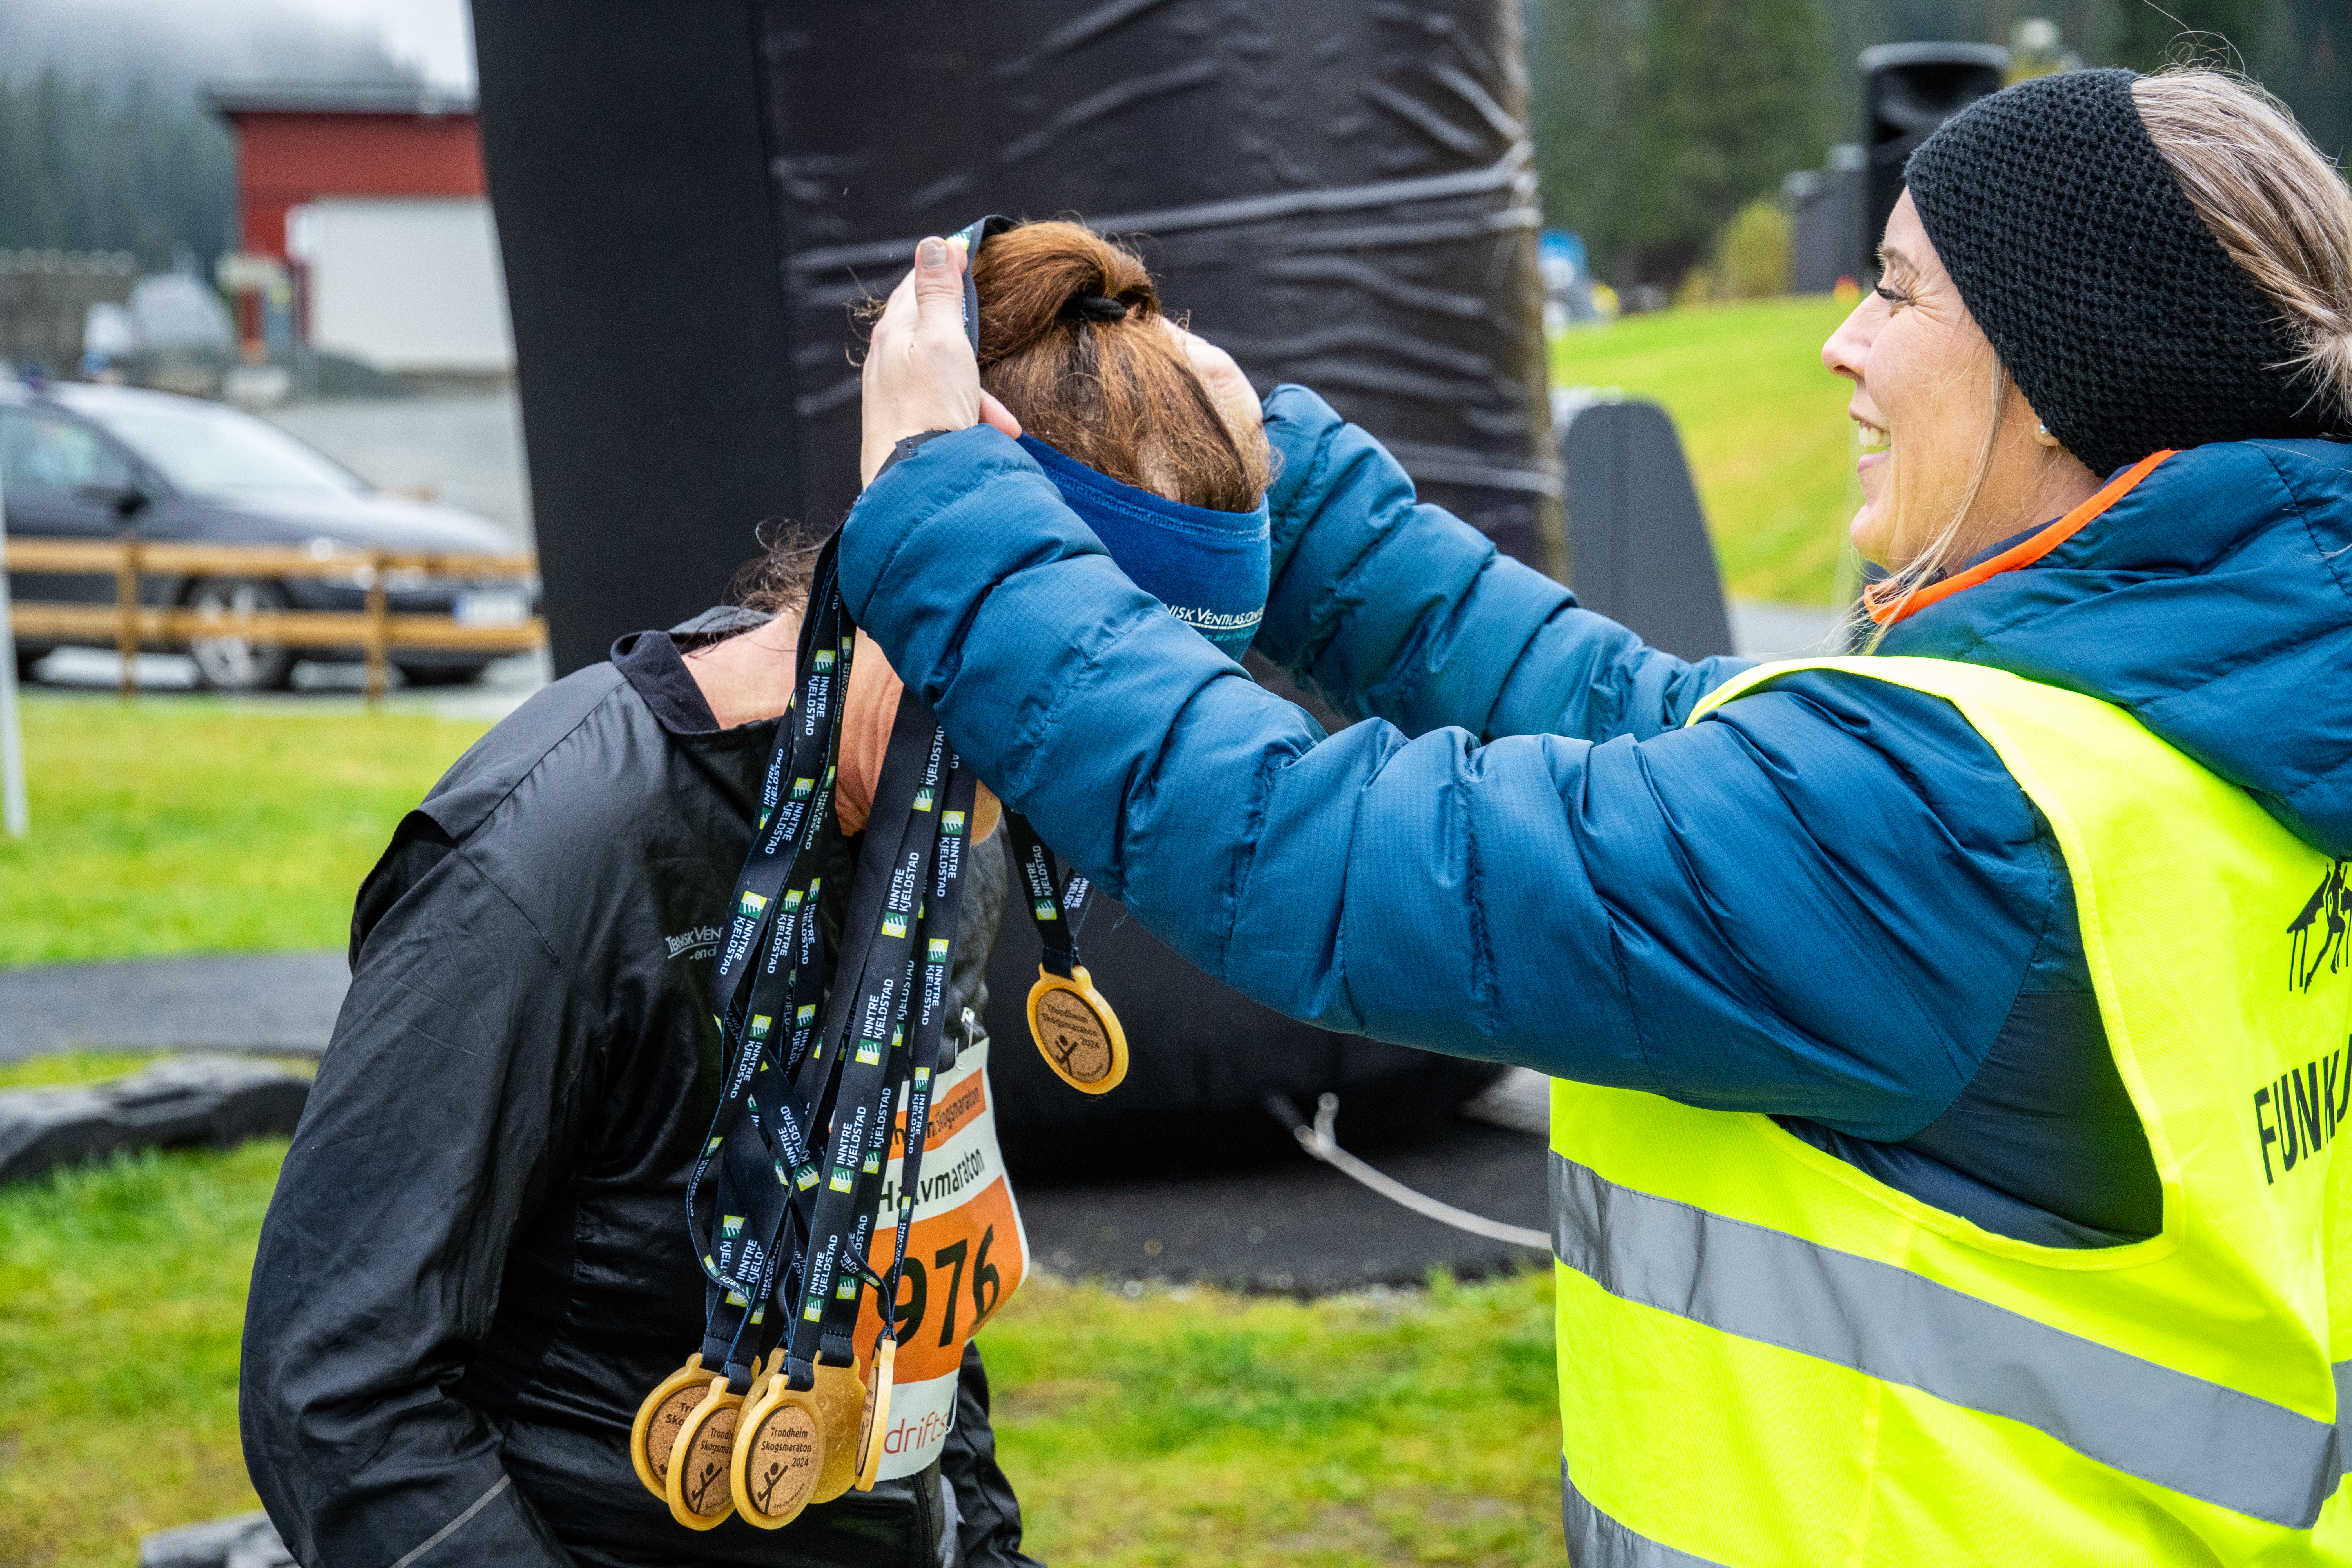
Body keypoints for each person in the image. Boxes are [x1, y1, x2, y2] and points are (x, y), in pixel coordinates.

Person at [843, 68, 2352, 1563]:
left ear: (2055, 367)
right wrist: (1265, 482)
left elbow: (1308, 849)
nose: (1844, 344)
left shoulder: (1957, 824)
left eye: (1898, 294)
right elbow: (1633, 716)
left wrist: (947, 504)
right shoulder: (2197, 730)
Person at [239, 220, 1267, 1568]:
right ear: (962, 586)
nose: (1108, 787)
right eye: (1096, 705)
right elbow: (336, 1396)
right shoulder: (552, 857)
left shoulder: (949, 826)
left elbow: (914, 1290)